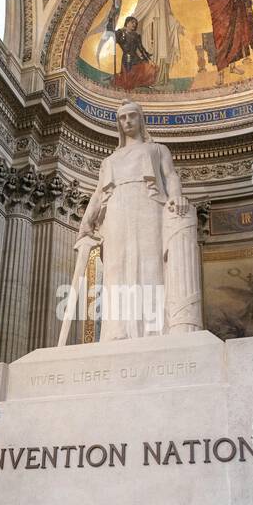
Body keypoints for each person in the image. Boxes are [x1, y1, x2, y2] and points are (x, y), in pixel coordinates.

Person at [76, 101, 201, 340]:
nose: (127, 122)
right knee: (116, 268)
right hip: (116, 210)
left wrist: (176, 196)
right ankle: (117, 331)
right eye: (122, 118)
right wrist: (86, 221)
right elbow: (98, 193)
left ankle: (154, 328)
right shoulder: (109, 161)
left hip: (149, 205)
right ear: (118, 124)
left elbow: (170, 176)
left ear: (141, 119)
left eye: (132, 116)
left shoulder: (157, 150)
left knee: (151, 263)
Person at [131, 0, 184, 86]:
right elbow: (139, 10)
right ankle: (147, 79)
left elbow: (168, 13)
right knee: (147, 50)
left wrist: (176, 24)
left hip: (162, 29)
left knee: (161, 50)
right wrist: (130, 24)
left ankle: (160, 80)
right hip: (148, 27)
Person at [112, 17, 157, 91]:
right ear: (127, 23)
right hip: (127, 57)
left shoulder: (136, 35)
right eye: (132, 22)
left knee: (148, 67)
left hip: (135, 57)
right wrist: (115, 32)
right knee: (128, 78)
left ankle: (145, 83)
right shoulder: (120, 32)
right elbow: (114, 39)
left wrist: (149, 59)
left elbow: (141, 48)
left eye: (135, 23)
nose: (134, 24)